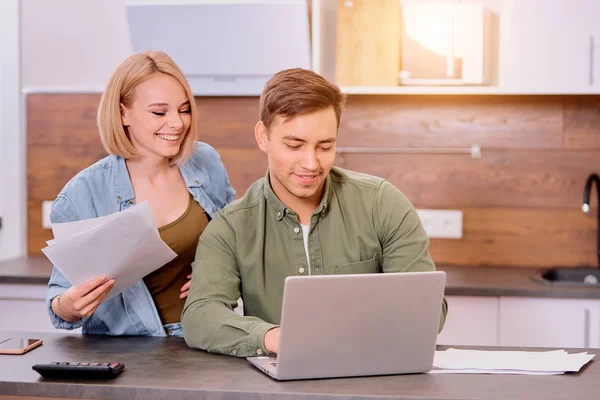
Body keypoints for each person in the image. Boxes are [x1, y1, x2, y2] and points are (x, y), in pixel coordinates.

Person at [181, 68, 448, 356]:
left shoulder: (381, 203)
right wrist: (273, 337)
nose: (311, 163)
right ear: (263, 136)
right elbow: (200, 316)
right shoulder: (231, 226)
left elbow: (429, 309)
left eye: (325, 146)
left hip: (373, 375)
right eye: (294, 145)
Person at [45, 51, 235, 337]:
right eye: (159, 112)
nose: (177, 123)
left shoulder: (204, 161)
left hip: (205, 333)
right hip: (128, 349)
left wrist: (218, 270)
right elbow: (59, 301)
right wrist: (70, 305)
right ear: (123, 113)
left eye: (184, 110)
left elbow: (238, 237)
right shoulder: (83, 193)